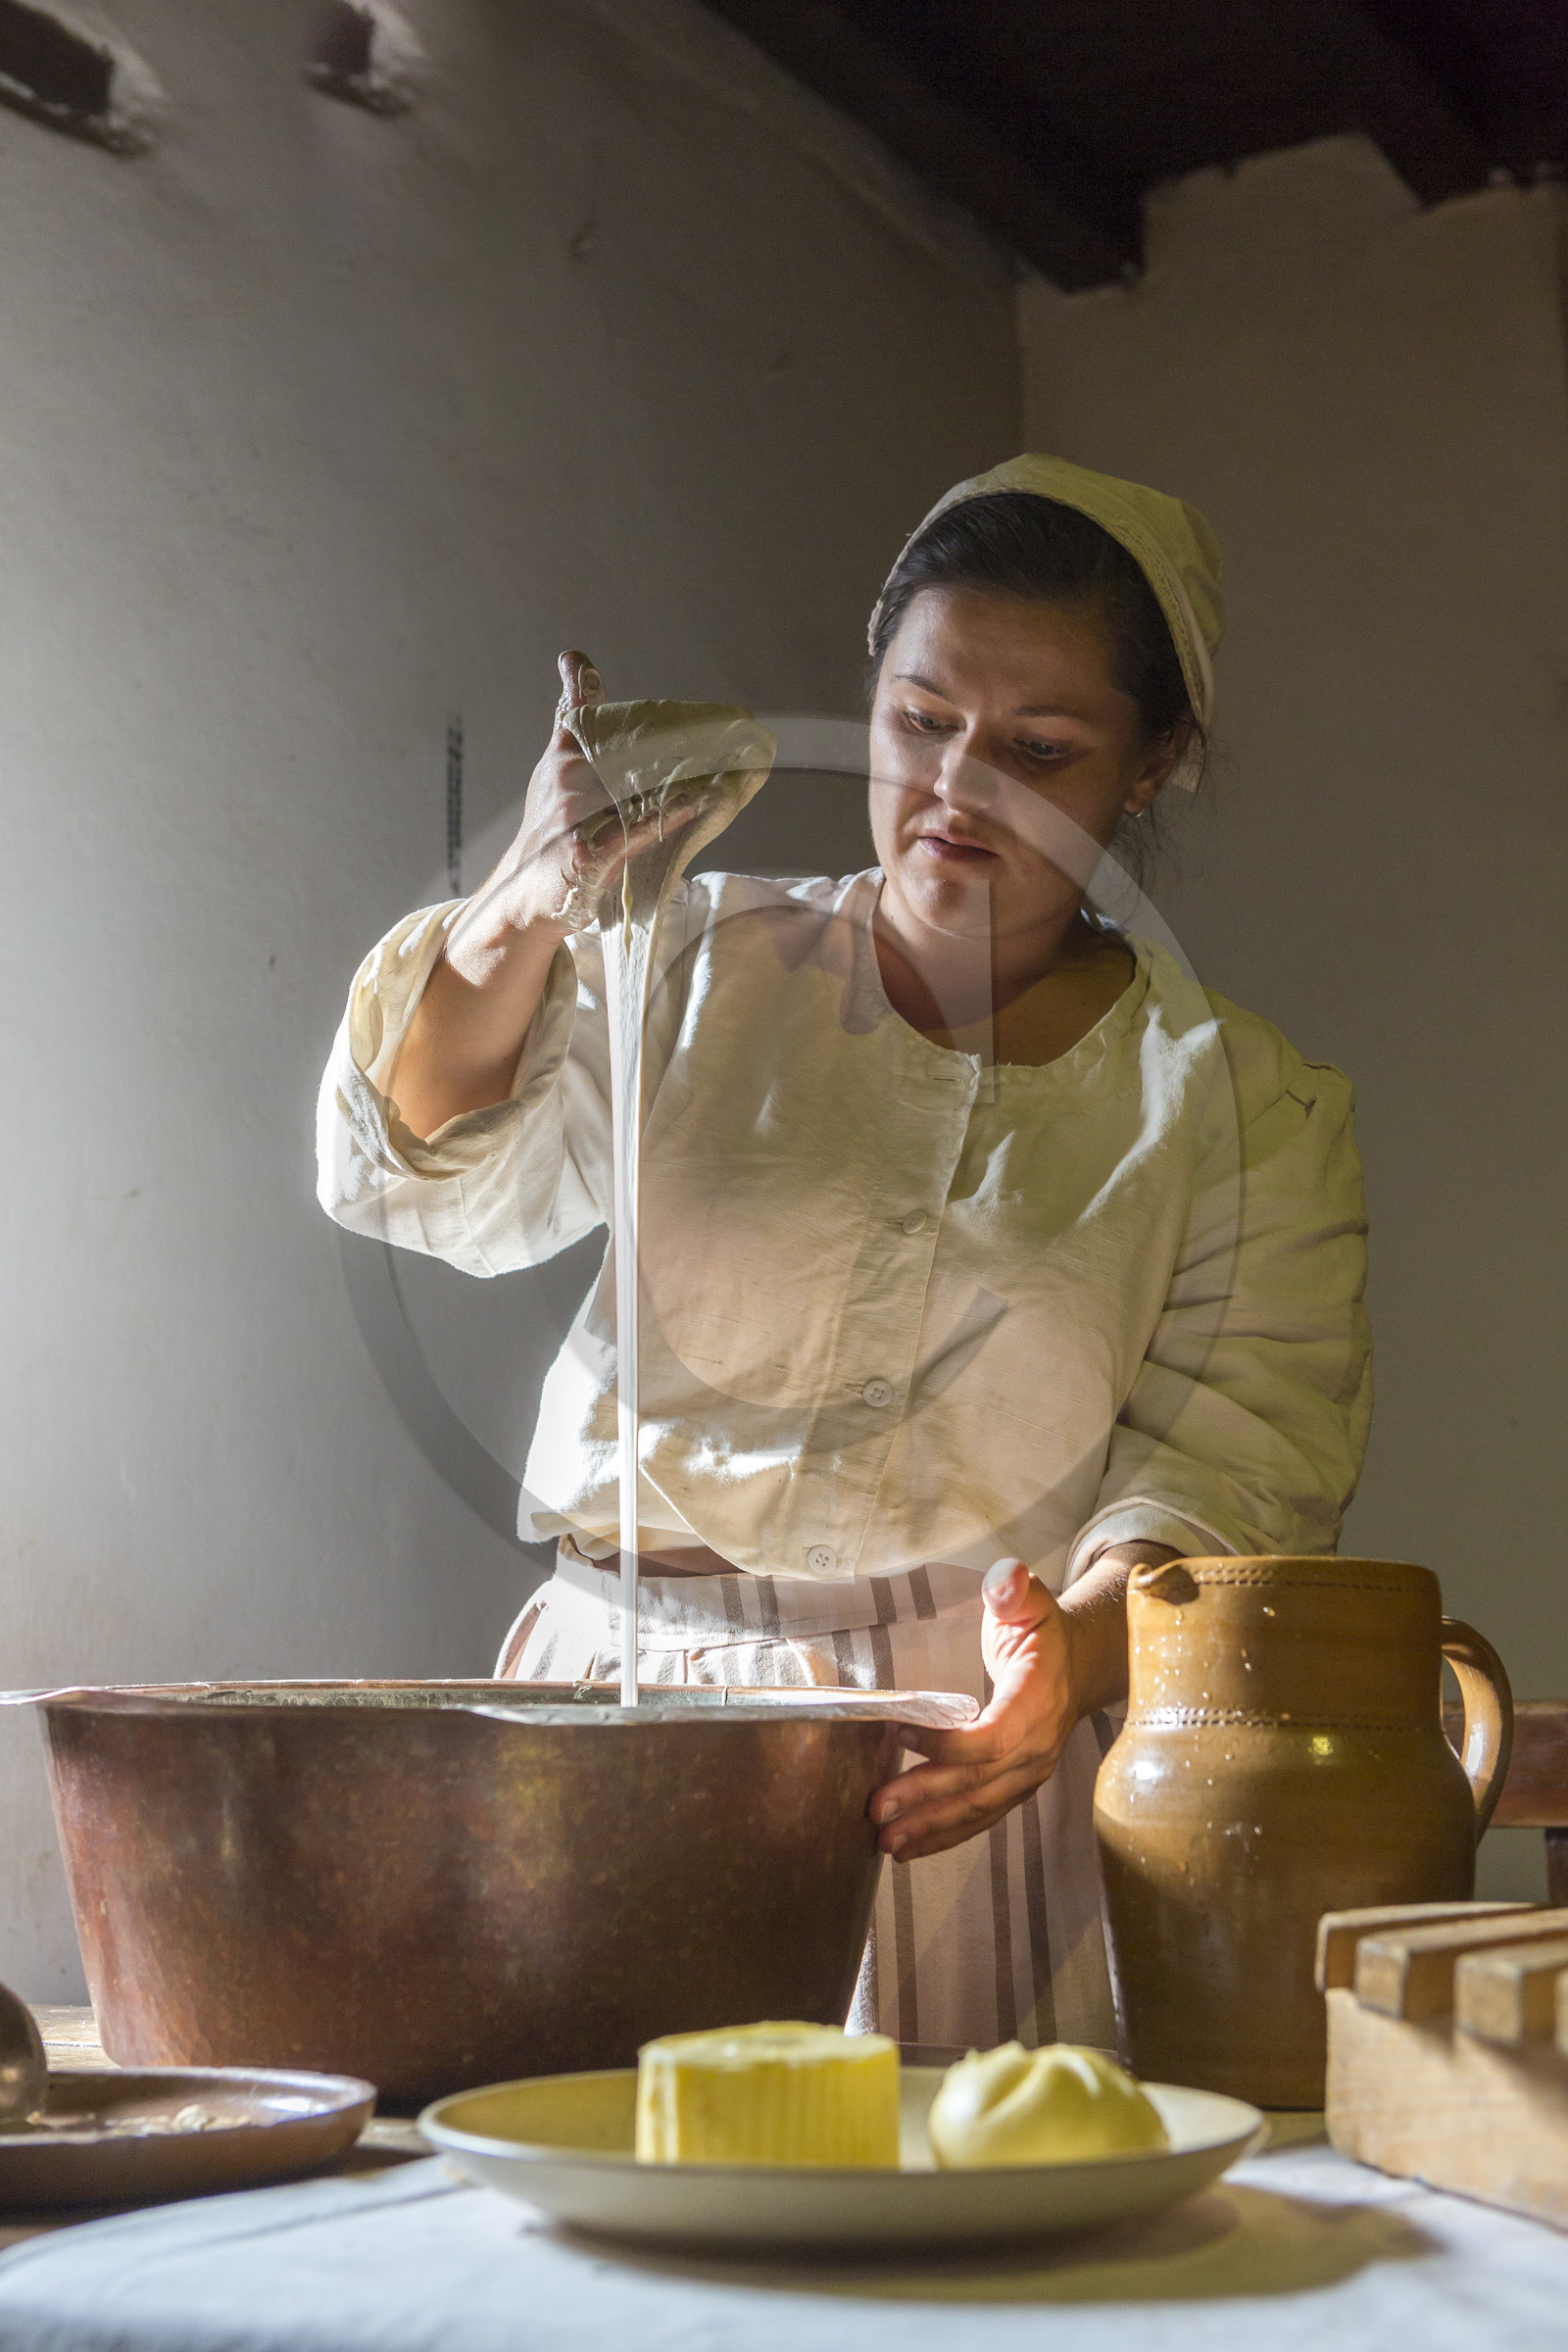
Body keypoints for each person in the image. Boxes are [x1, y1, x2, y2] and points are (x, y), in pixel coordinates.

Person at [318, 455, 1371, 2052]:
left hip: (955, 1767)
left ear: (1153, 767)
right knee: (578, 2255)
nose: (959, 789)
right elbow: (425, 1160)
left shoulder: (1241, 1108)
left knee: (931, 2261)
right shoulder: (692, 963)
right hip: (612, 1713)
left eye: (1041, 750)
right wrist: (527, 897)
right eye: (919, 720)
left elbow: (1231, 1466)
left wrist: (1068, 1666)